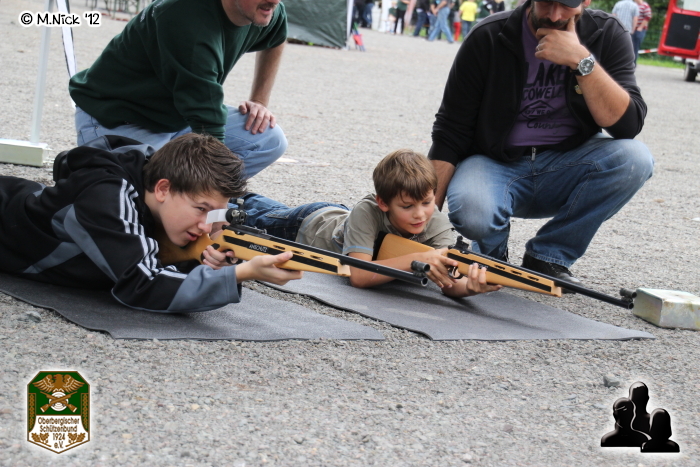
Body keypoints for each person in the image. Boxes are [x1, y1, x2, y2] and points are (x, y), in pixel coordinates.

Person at [428, 0, 654, 285]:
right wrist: (424, 226)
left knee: (635, 159)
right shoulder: (488, 36)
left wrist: (582, 61)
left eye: (567, 5)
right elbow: (450, 132)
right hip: (494, 163)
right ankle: (492, 256)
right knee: (474, 211)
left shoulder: (607, 33)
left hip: (568, 161)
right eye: (546, 2)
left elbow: (627, 125)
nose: (555, 15)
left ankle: (548, 256)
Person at [0, 134, 301, 313]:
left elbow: (158, 258)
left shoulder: (157, 194)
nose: (204, 225)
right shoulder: (105, 194)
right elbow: (141, 284)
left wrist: (209, 262)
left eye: (214, 215)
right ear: (162, 189)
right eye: (201, 209)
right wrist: (241, 273)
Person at [69, 0, 288, 181]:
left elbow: (277, 36)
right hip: (120, 120)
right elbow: (209, 128)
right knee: (149, 200)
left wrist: (259, 100)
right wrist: (208, 196)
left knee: (269, 140)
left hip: (179, 119)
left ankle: (201, 201)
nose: (275, 1)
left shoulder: (264, 8)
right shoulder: (186, 18)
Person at [241, 149, 502, 297]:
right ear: (383, 203)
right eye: (407, 206)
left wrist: (471, 287)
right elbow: (360, 276)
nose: (421, 215)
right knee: (249, 217)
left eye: (427, 202)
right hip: (308, 226)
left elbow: (450, 283)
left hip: (342, 222)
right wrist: (420, 259)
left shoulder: (437, 224)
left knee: (260, 208)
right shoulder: (368, 210)